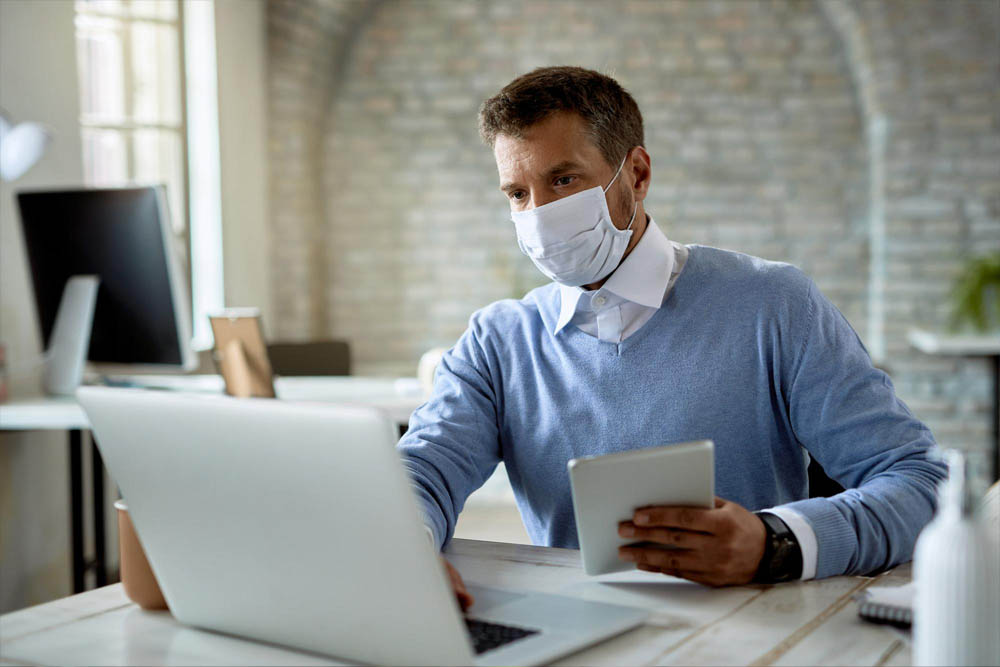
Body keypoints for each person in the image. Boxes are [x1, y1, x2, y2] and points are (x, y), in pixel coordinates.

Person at [397, 66, 945, 609]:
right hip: (577, 633)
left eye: (563, 180)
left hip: (753, 628)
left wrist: (776, 543)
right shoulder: (498, 340)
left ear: (636, 174)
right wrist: (406, 550)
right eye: (518, 193)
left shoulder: (773, 303)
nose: (539, 215)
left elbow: (921, 481)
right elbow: (420, 471)